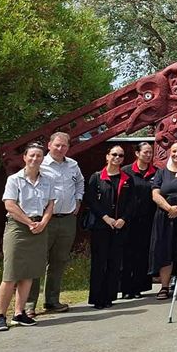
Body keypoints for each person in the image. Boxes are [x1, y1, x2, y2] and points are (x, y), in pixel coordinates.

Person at [0, 142, 55, 331]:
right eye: (31, 155)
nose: (35, 159)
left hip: (39, 227)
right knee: (11, 274)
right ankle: (0, 316)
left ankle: (19, 313)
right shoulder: (15, 179)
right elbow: (10, 205)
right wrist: (29, 222)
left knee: (29, 273)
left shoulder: (48, 180)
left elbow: (50, 204)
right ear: (25, 157)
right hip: (19, 227)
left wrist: (43, 223)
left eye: (38, 156)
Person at [25, 132, 83, 318]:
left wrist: (78, 201)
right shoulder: (39, 163)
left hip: (67, 219)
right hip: (44, 220)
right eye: (57, 145)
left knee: (59, 261)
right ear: (49, 145)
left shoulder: (73, 165)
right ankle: (29, 304)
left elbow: (80, 183)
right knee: (37, 261)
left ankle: (52, 301)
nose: (60, 149)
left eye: (64, 146)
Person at [84, 145, 135, 310]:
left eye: (121, 155)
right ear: (107, 156)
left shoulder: (127, 179)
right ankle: (97, 297)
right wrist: (106, 218)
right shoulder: (96, 177)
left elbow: (131, 203)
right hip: (100, 226)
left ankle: (110, 296)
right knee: (100, 262)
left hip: (119, 226)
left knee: (114, 262)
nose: (117, 158)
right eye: (114, 154)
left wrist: (123, 219)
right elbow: (91, 201)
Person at [149, 142, 177, 300]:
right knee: (164, 250)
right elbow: (155, 194)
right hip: (165, 217)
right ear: (169, 153)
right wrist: (169, 208)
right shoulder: (161, 173)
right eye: (174, 151)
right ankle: (164, 287)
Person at [120, 142, 156, 299]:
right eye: (145, 152)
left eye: (150, 152)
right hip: (128, 219)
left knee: (143, 253)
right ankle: (126, 287)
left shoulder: (156, 173)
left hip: (147, 219)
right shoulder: (126, 172)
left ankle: (138, 287)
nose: (148, 155)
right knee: (127, 253)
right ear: (137, 153)